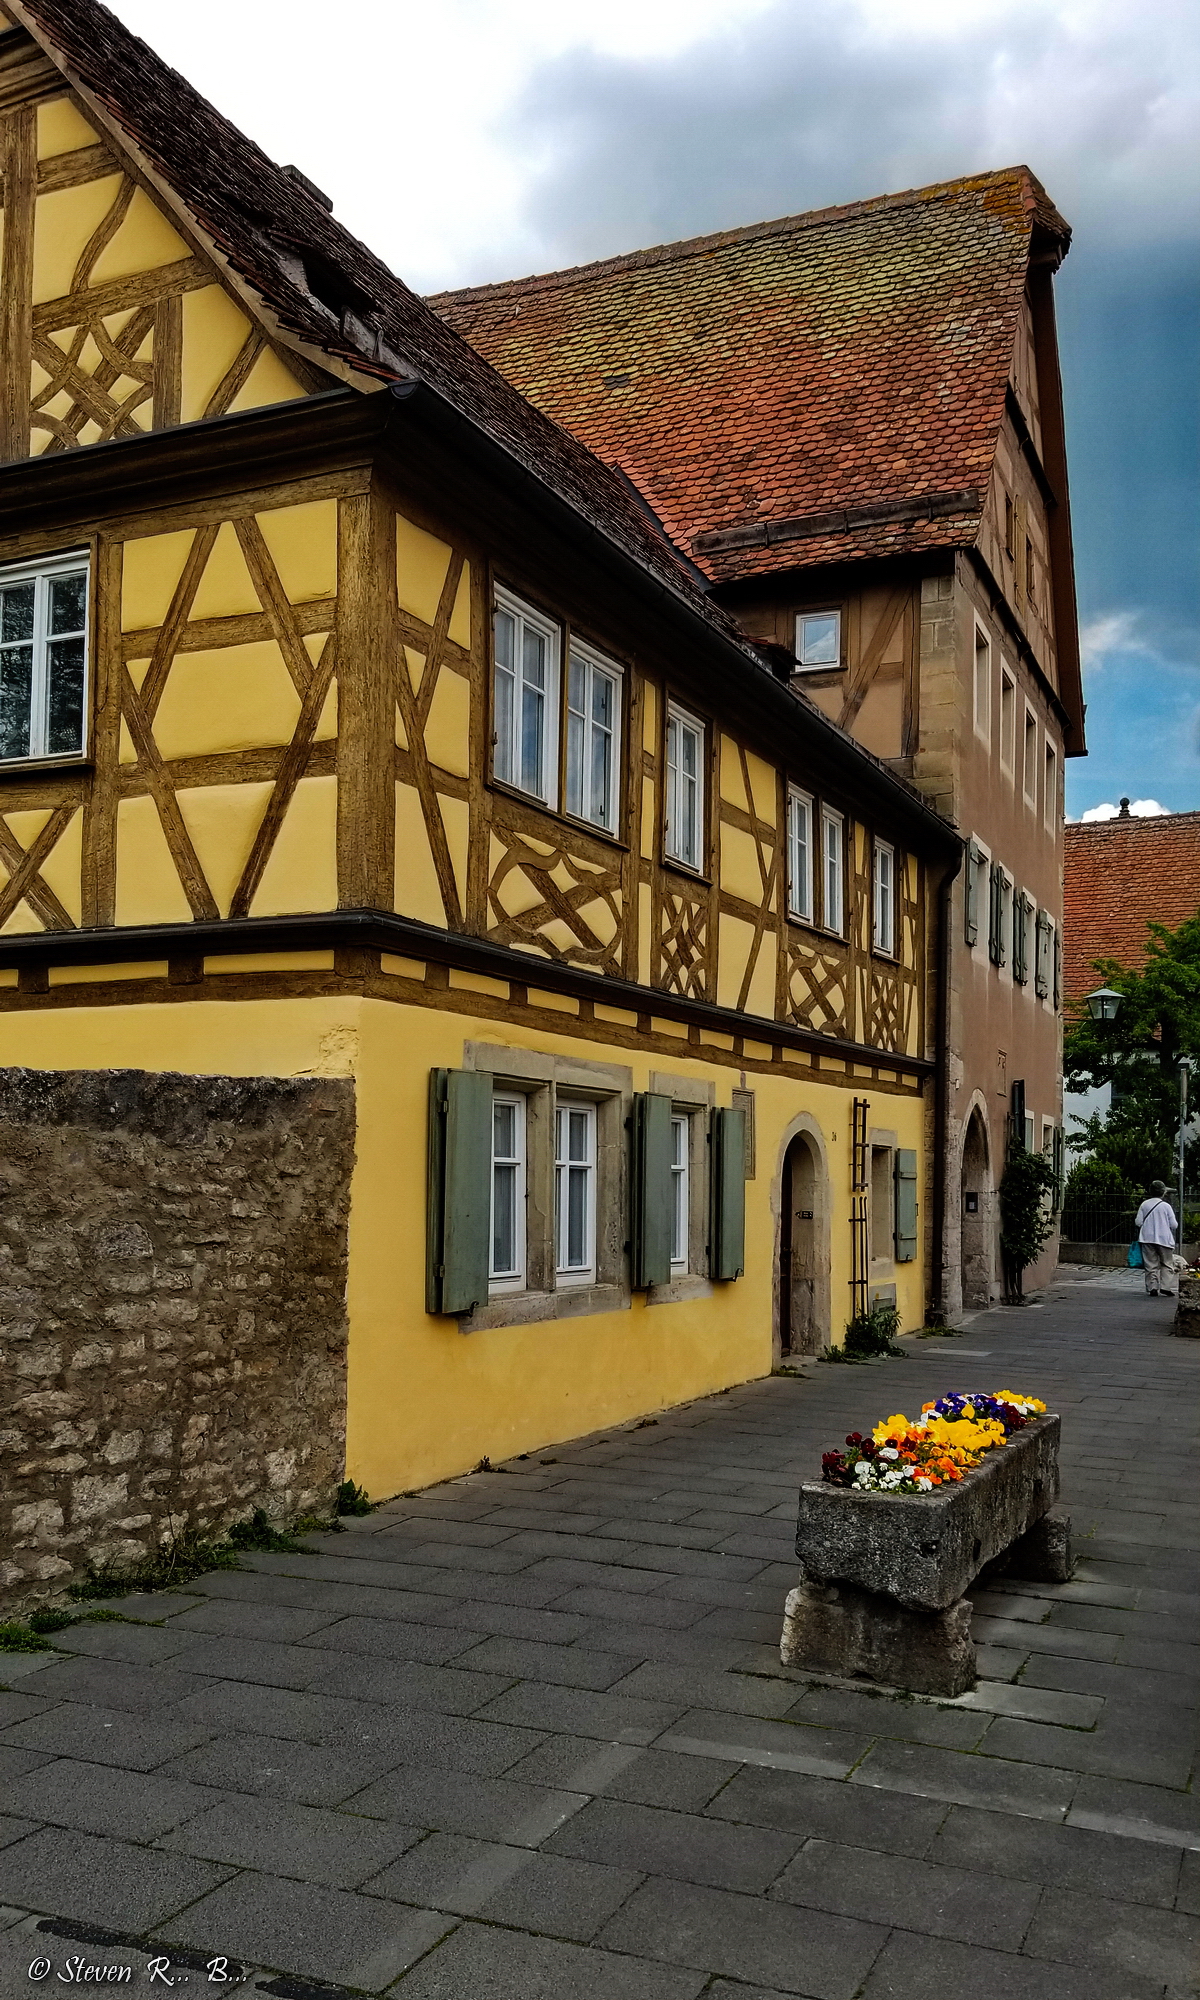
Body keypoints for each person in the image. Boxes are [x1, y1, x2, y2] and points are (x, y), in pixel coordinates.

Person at [1135, 1180, 1179, 1296]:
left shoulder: (1144, 1204)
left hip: (1147, 1238)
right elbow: (1174, 1225)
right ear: (1163, 1192)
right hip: (1164, 1239)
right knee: (1167, 1263)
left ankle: (1152, 1287)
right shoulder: (1166, 1206)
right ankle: (1166, 1286)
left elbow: (1138, 1222)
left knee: (1150, 1264)